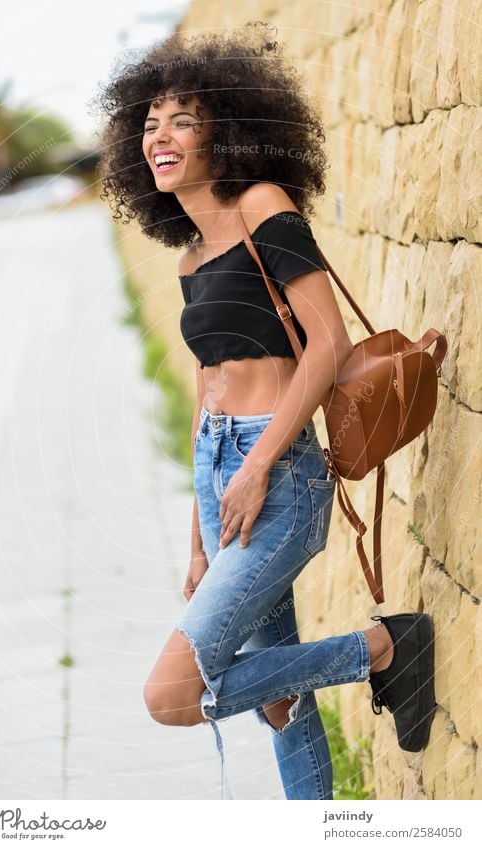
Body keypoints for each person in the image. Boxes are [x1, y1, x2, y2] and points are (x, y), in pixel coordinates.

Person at [97, 24, 436, 800]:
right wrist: (198, 538)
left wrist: (253, 471)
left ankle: (383, 647)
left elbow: (325, 344)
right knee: (280, 701)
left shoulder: (262, 208)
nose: (162, 137)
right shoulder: (188, 258)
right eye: (149, 125)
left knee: (173, 693)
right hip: (223, 473)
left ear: (230, 128)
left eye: (183, 119)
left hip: (279, 475)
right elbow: (207, 393)